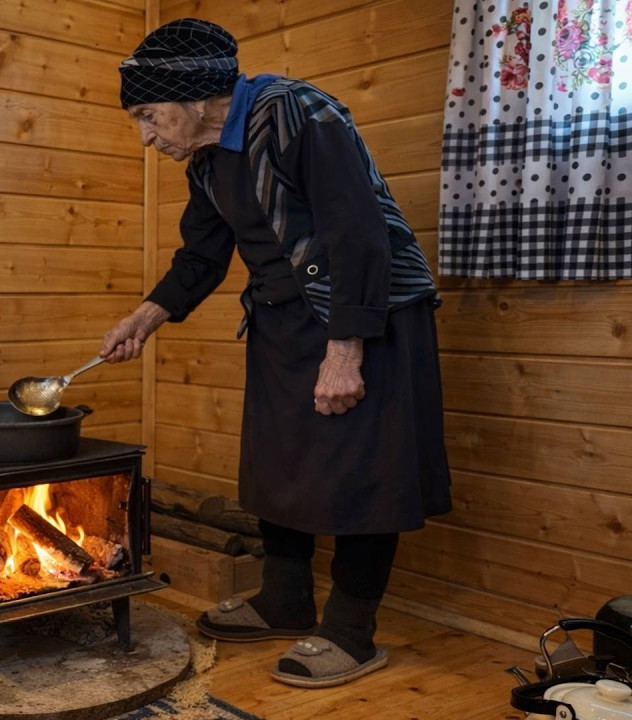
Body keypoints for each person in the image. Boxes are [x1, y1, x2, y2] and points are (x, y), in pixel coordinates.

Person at [102, 19, 452, 688]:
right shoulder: (206, 157)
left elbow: (357, 233)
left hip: (366, 313)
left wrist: (346, 352)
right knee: (279, 462)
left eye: (147, 115)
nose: (145, 136)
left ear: (193, 96)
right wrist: (146, 317)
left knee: (360, 472)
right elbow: (202, 253)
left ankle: (352, 631)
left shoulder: (297, 113)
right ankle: (284, 598)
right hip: (282, 320)